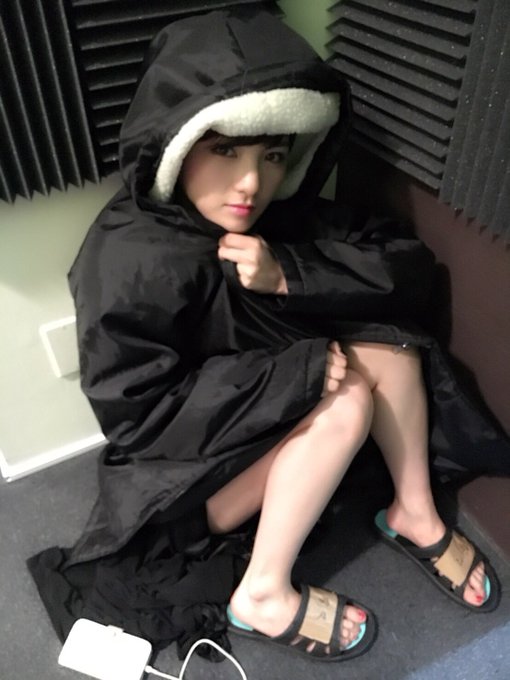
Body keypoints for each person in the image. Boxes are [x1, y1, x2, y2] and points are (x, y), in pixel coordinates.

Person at [29, 7, 508, 664]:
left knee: (389, 344)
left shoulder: (273, 217)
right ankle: (261, 593)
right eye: (226, 150)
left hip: (259, 422)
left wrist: (290, 272)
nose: (251, 183)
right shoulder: (128, 262)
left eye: (273, 155)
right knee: (349, 401)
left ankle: (414, 512)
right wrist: (296, 378)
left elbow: (403, 263)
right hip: (190, 483)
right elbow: (141, 422)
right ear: (176, 143)